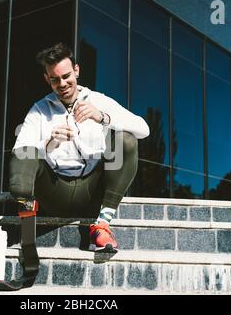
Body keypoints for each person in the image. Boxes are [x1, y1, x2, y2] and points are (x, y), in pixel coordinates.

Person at [9, 42, 150, 251]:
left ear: (76, 70)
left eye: (66, 76)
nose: (62, 84)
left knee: (126, 140)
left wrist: (102, 117)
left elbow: (144, 128)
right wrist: (48, 143)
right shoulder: (39, 109)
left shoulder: (97, 100)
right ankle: (28, 236)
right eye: (55, 79)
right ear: (47, 79)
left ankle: (102, 226)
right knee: (25, 153)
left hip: (93, 191)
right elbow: (19, 151)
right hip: (55, 191)